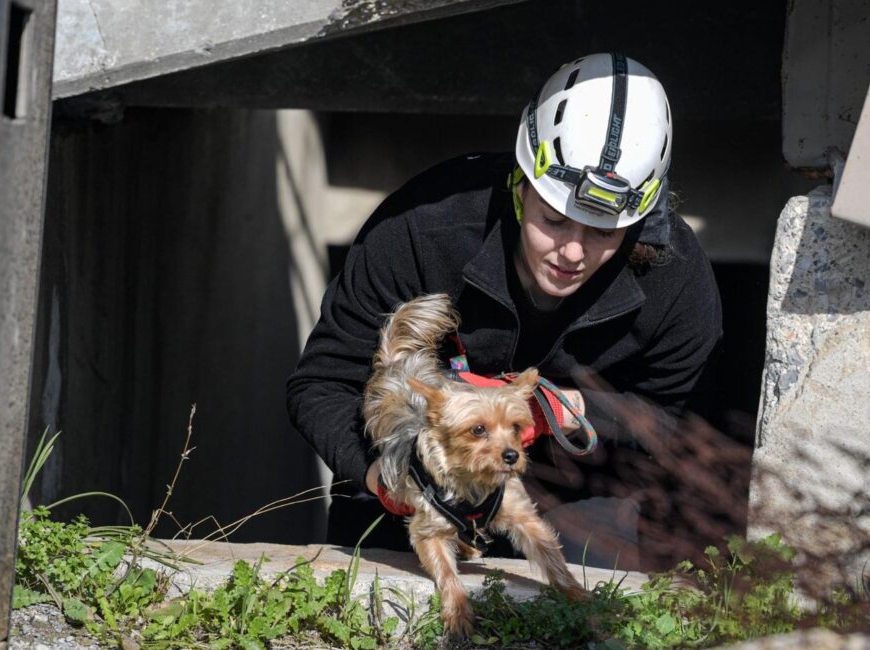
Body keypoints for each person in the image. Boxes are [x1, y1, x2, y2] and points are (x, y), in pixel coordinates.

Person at [286, 53, 722, 566]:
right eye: (554, 221)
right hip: (407, 489)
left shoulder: (678, 280)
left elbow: (679, 428)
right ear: (521, 189)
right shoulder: (420, 228)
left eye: (604, 232)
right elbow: (322, 382)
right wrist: (382, 476)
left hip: (575, 504)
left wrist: (564, 409)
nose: (574, 253)